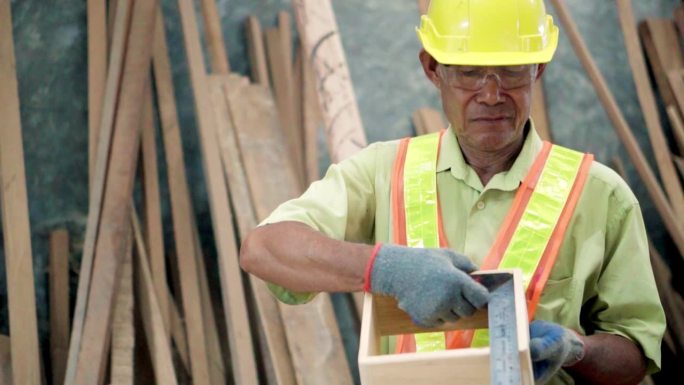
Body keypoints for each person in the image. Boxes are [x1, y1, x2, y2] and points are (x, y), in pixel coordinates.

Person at [240, 0, 665, 384]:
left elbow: (634, 354)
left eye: (512, 71)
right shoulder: (382, 172)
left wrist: (576, 350)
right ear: (432, 69)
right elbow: (264, 249)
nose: (493, 94)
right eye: (470, 72)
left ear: (539, 68)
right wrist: (383, 267)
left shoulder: (600, 195)